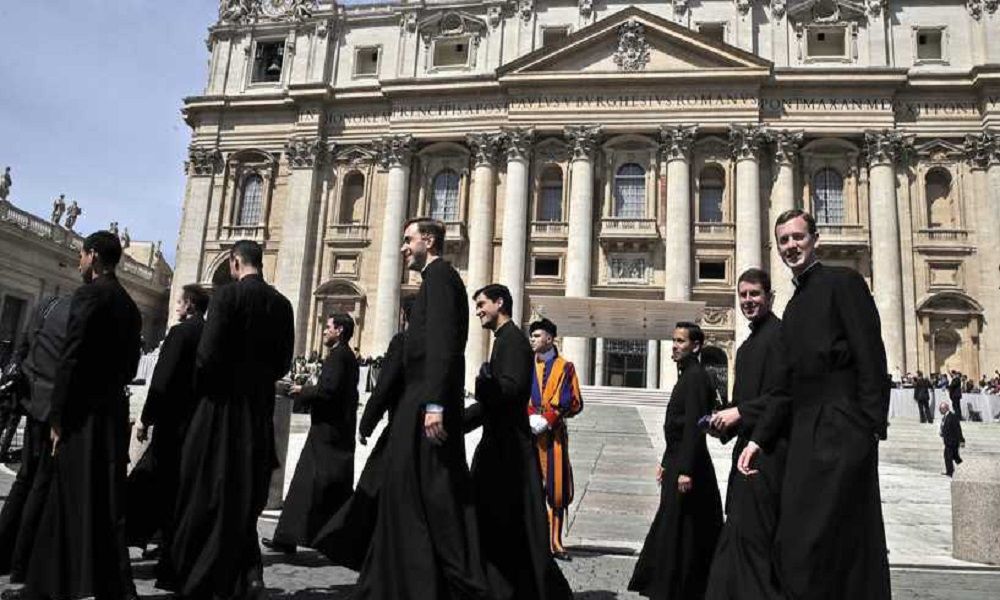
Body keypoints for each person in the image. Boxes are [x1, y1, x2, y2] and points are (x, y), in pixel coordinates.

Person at [739, 209, 891, 599]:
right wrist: (757, 439)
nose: (791, 245)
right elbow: (784, 385)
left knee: (840, 539)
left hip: (843, 426)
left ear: (815, 239)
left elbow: (870, 356)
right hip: (804, 431)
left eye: (798, 237)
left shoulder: (845, 282)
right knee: (794, 540)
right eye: (784, 240)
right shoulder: (791, 308)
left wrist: (870, 427)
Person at [354, 218, 492, 600]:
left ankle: (459, 585)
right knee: (409, 494)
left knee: (433, 497)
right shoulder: (433, 281)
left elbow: (443, 345)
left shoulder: (442, 278)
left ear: (428, 241)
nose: (402, 247)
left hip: (425, 405)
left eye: (408, 240)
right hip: (416, 403)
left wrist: (435, 403)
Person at [169, 240, 294, 600]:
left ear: (235, 262)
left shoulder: (226, 296)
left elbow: (206, 357)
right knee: (245, 495)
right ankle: (246, 574)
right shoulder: (282, 304)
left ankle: (204, 575)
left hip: (220, 409)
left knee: (207, 491)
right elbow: (283, 363)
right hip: (258, 411)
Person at [22, 231, 142, 600]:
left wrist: (57, 416)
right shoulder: (129, 305)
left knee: (65, 495)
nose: (78, 260)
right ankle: (106, 583)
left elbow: (71, 357)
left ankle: (50, 584)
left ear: (94, 256)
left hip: (82, 412)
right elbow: (130, 366)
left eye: (81, 254)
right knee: (105, 499)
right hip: (111, 411)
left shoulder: (89, 296)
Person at [465, 284, 573, 600]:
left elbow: (508, 392)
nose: (478, 311)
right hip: (502, 443)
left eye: (482, 304)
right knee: (504, 521)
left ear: (500, 303)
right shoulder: (506, 339)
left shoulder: (511, 341)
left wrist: (483, 385)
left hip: (507, 448)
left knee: (507, 521)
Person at [705, 269, 788, 600]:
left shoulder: (781, 337)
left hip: (769, 454)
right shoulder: (745, 347)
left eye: (755, 294)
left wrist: (741, 414)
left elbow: (784, 395)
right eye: (743, 295)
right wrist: (721, 424)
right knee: (738, 539)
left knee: (754, 545)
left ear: (770, 297)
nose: (748, 300)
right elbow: (741, 403)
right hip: (745, 454)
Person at [313, 297, 413, 570]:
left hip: (400, 428)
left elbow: (385, 387)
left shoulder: (403, 341)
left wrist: (367, 422)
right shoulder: (441, 343)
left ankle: (354, 548)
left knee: (371, 489)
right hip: (429, 431)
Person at [629, 322, 723, 600]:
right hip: (678, 460)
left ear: (696, 346)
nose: (675, 346)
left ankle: (679, 587)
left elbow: (694, 426)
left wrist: (685, 470)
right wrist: (665, 461)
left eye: (681, 341)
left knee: (681, 527)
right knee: (677, 525)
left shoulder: (695, 377)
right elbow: (677, 429)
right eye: (674, 340)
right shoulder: (688, 375)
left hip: (688, 465)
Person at [124, 284, 208, 577]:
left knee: (150, 481)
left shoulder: (180, 333)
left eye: (180, 302)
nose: (176, 307)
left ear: (190, 305)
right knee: (177, 487)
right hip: (195, 423)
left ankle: (130, 534)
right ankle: (164, 541)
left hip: (171, 422)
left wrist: (146, 418)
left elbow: (162, 378)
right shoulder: (209, 334)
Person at [263, 313, 360, 553]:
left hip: (327, 433)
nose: (324, 330)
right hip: (334, 432)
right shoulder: (346, 356)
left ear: (339, 330)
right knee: (322, 487)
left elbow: (328, 391)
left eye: (328, 326)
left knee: (308, 486)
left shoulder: (338, 357)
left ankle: (291, 538)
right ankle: (302, 538)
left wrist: (301, 391)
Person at [0, 295, 71, 590]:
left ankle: (4, 551)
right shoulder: (76, 313)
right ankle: (21, 563)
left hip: (32, 400)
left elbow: (25, 346)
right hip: (54, 409)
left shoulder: (47, 306)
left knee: (24, 480)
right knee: (40, 483)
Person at [526, 317, 583, 560]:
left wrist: (549, 418)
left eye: (537, 336)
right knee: (528, 485)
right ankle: (532, 540)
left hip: (554, 436)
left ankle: (555, 542)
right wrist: (529, 416)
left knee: (557, 487)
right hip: (528, 432)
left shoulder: (566, 367)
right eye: (531, 336)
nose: (532, 340)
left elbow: (575, 401)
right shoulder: (526, 364)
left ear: (550, 339)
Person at [940, 401, 965, 477]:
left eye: (941, 409)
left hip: (952, 442)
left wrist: (962, 440)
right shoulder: (945, 417)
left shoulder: (952, 416)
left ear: (945, 408)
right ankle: (951, 471)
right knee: (953, 457)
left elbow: (958, 429)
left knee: (949, 456)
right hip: (948, 441)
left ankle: (951, 472)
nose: (940, 411)